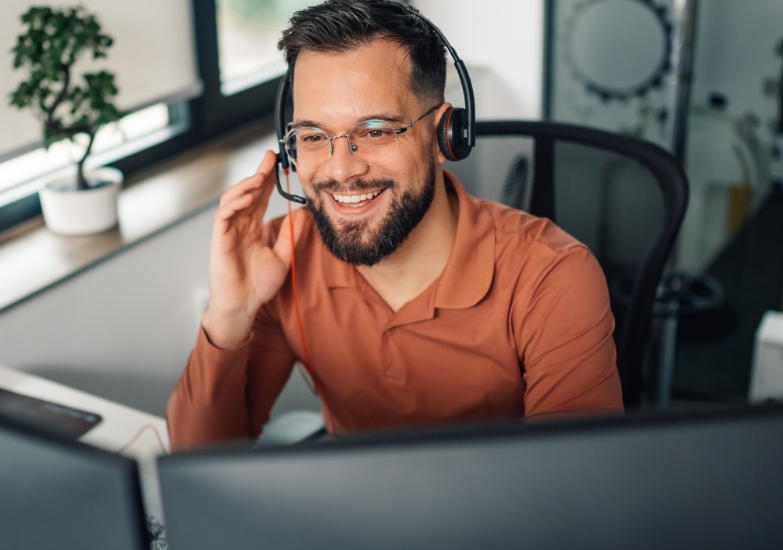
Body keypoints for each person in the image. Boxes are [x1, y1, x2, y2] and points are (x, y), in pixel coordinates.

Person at [168, 0, 623, 449]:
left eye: (375, 131)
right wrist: (230, 313)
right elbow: (197, 457)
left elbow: (573, 483)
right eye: (312, 136)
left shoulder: (551, 277)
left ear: (445, 136)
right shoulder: (279, 256)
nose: (341, 170)